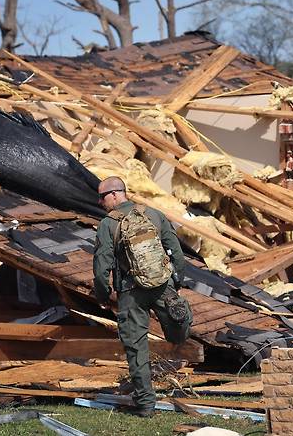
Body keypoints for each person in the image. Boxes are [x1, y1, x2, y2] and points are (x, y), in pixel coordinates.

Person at [93, 176, 192, 417]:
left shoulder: (108, 224)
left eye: (103, 197)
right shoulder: (154, 214)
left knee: (136, 348)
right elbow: (176, 251)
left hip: (131, 292)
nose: (100, 202)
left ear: (116, 194)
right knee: (179, 326)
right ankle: (179, 319)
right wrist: (177, 281)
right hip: (162, 285)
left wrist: (103, 295)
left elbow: (101, 264)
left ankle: (147, 405)